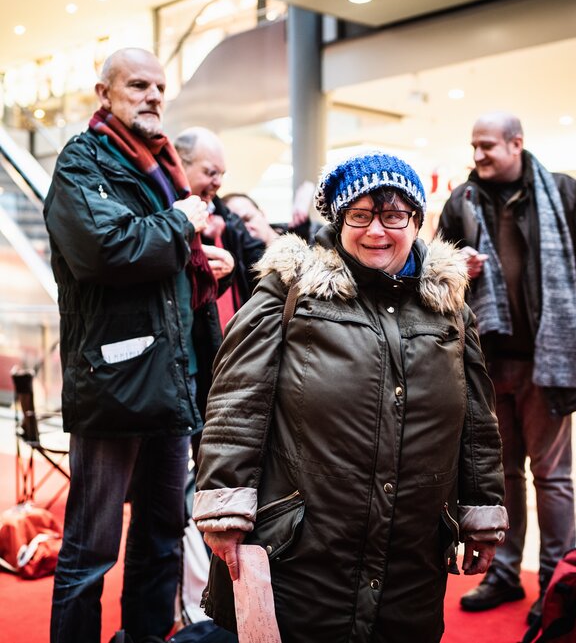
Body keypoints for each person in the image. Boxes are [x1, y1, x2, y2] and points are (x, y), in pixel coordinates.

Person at [193, 151, 508, 643]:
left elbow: (476, 419)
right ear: (339, 222)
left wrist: (481, 511)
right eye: (359, 216)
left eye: (393, 215)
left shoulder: (448, 304)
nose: (376, 231)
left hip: (413, 552)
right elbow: (237, 401)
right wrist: (226, 506)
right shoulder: (289, 290)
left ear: (416, 220)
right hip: (305, 547)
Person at [44, 48, 215, 643]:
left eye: (160, 88)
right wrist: (182, 225)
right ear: (104, 93)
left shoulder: (159, 168)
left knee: (162, 539)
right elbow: (105, 251)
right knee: (90, 553)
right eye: (138, 84)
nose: (153, 97)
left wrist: (197, 262)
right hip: (113, 380)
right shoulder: (81, 162)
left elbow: (155, 257)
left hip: (169, 380)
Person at [438, 112, 576, 623]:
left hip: (550, 362)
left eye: (488, 145)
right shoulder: (460, 202)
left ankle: (557, 581)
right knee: (502, 475)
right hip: (486, 362)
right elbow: (433, 271)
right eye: (473, 146)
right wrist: (453, 267)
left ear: (517, 143)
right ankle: (504, 573)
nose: (478, 155)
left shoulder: (564, 193)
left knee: (552, 478)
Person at [174, 128, 266, 328]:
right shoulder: (166, 216)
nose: (218, 183)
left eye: (221, 174)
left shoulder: (227, 219)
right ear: (180, 164)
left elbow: (258, 261)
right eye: (210, 172)